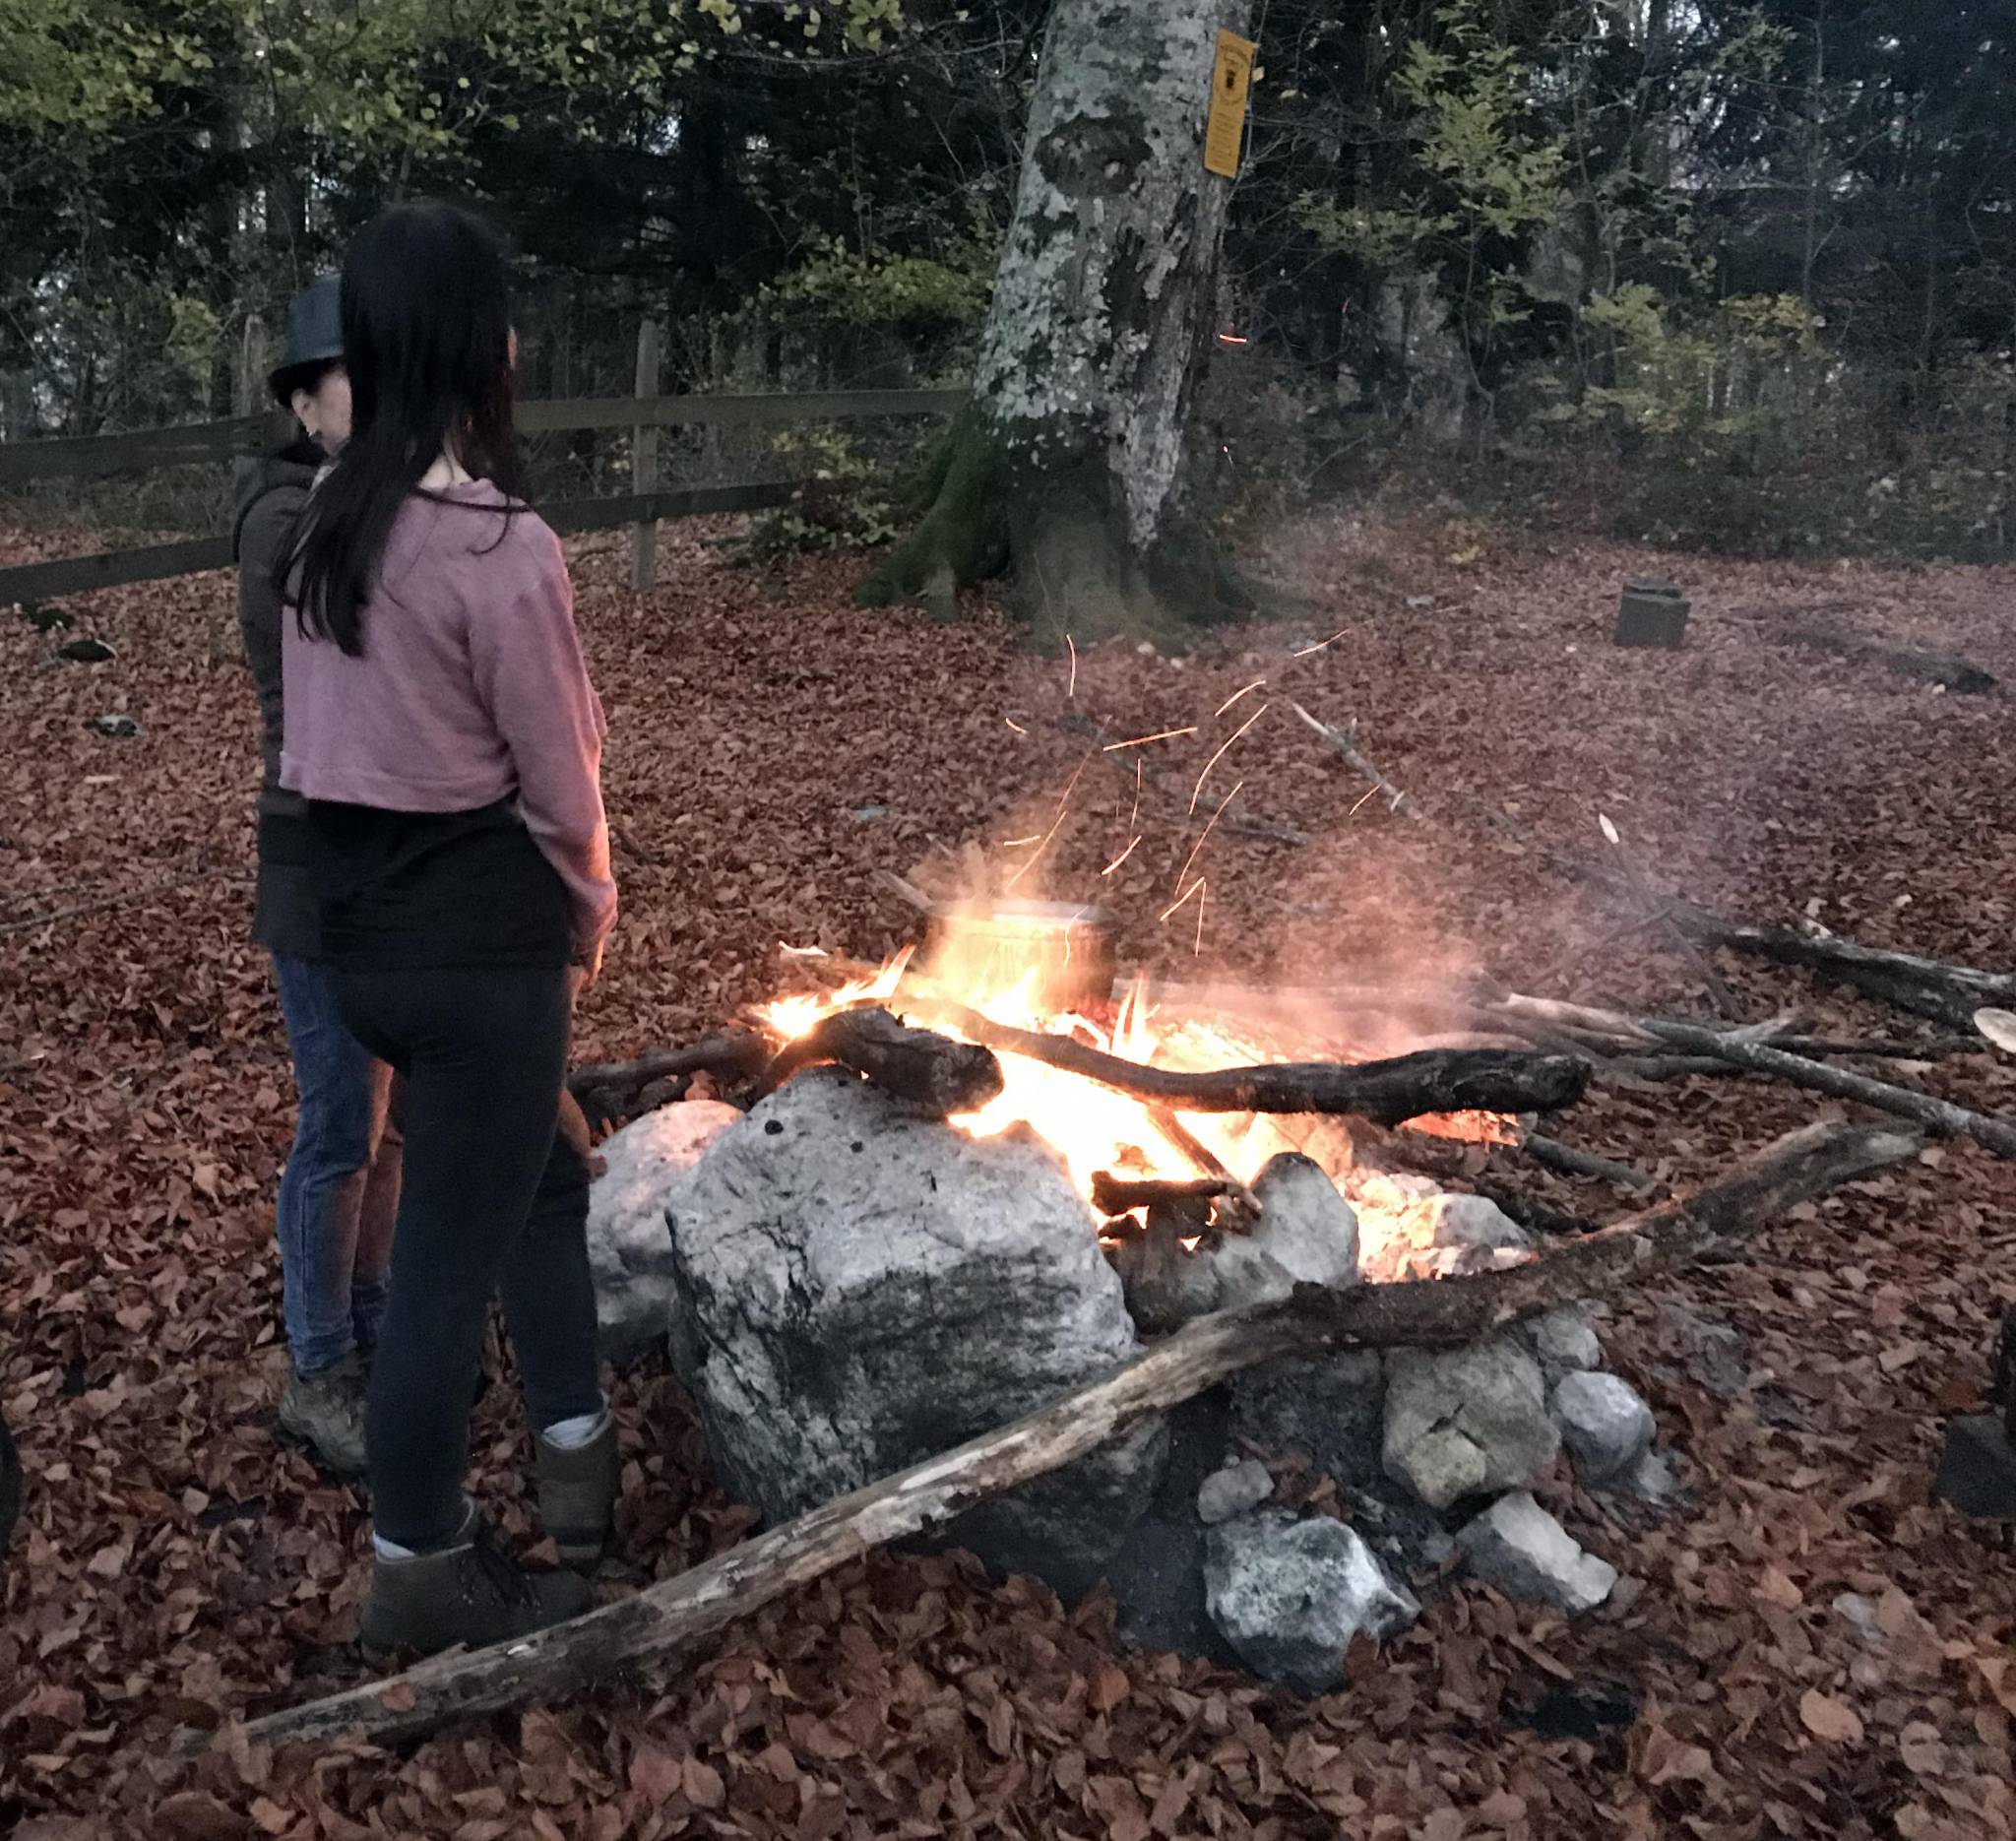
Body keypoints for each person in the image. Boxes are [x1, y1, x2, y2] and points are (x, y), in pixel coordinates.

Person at [279, 201, 619, 1659]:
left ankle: (580, 1459)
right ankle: (422, 1562)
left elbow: (322, 751)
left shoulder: (324, 529)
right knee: (438, 1273)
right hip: (480, 956)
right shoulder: (499, 547)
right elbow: (561, 779)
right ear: (484, 349)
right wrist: (588, 909)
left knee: (539, 1173)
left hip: (362, 944)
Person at [233, 277, 403, 1477]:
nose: (377, 400)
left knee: (388, 1123)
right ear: (304, 402)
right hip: (317, 863)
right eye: (353, 379)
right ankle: (318, 1362)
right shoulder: (284, 518)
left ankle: (376, 1316)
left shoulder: (366, 498)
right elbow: (348, 611)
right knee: (340, 1121)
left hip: (393, 860)